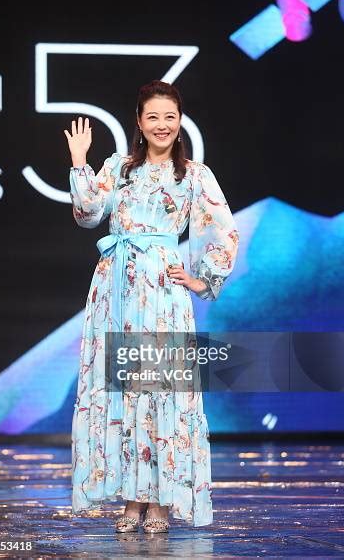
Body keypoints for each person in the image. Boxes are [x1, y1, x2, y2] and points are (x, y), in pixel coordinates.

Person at [65, 80, 239, 533]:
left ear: (179, 122)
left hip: (161, 291)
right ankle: (131, 500)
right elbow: (87, 215)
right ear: (139, 123)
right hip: (115, 288)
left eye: (170, 117)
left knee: (162, 389)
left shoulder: (195, 175)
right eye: (153, 117)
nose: (162, 125)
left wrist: (204, 279)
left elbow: (221, 228)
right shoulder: (118, 168)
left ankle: (161, 501)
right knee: (122, 389)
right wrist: (80, 163)